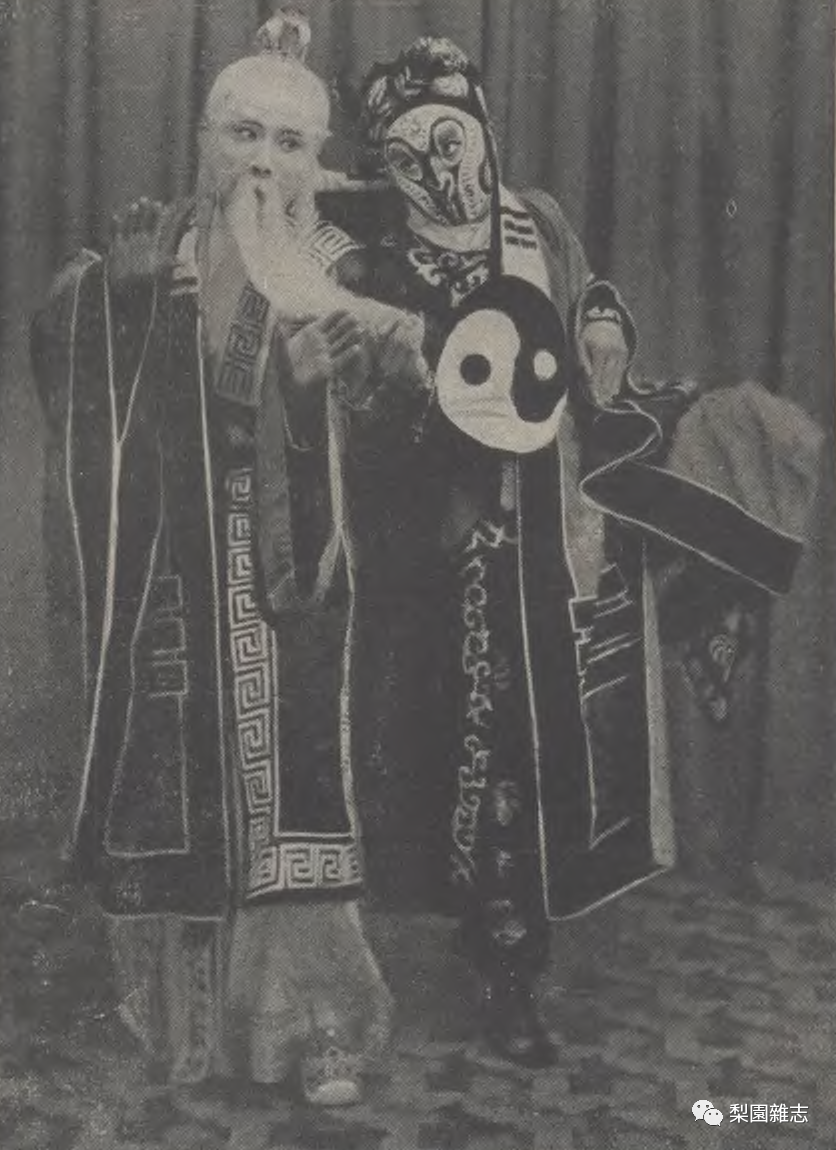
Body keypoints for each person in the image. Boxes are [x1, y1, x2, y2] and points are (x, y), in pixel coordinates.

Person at [337, 36, 822, 1068]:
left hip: (550, 521)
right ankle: (489, 952)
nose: (438, 169)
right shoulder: (376, 262)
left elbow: (591, 297)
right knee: (467, 750)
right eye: (410, 154)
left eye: (451, 141)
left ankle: (515, 965)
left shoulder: (537, 221)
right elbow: (363, 412)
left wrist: (602, 326)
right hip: (442, 543)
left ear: (482, 133)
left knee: (533, 748)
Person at [30, 10, 426, 1106]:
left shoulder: (346, 269)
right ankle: (181, 1024)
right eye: (242, 134)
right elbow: (68, 370)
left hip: (294, 567)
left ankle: (315, 1023)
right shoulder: (159, 250)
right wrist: (118, 305)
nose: (262, 162)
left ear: (318, 162)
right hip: (173, 561)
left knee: (294, 784)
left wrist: (329, 390)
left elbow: (403, 449)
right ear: (203, 140)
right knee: (173, 772)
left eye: (289, 143)